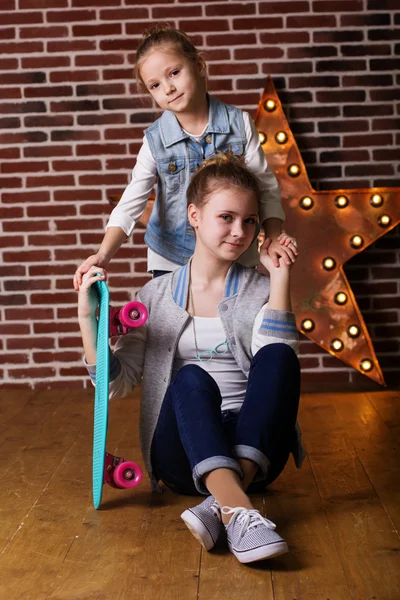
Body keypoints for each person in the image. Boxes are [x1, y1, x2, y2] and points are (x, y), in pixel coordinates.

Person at [78, 153, 304, 565]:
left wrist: (280, 278)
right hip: (182, 456)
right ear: (195, 215)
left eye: (250, 221)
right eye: (227, 217)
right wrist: (86, 317)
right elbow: (116, 383)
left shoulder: (257, 289)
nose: (240, 232)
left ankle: (225, 506)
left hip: (256, 450)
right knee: (191, 379)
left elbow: (279, 372)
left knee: (280, 356)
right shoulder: (155, 298)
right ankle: (242, 509)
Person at [73, 24, 298, 290]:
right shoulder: (155, 140)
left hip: (234, 254)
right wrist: (103, 255)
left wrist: (273, 235)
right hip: (171, 259)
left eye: (175, 73)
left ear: (199, 65)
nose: (168, 88)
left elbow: (265, 187)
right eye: (155, 85)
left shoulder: (240, 125)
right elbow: (131, 202)